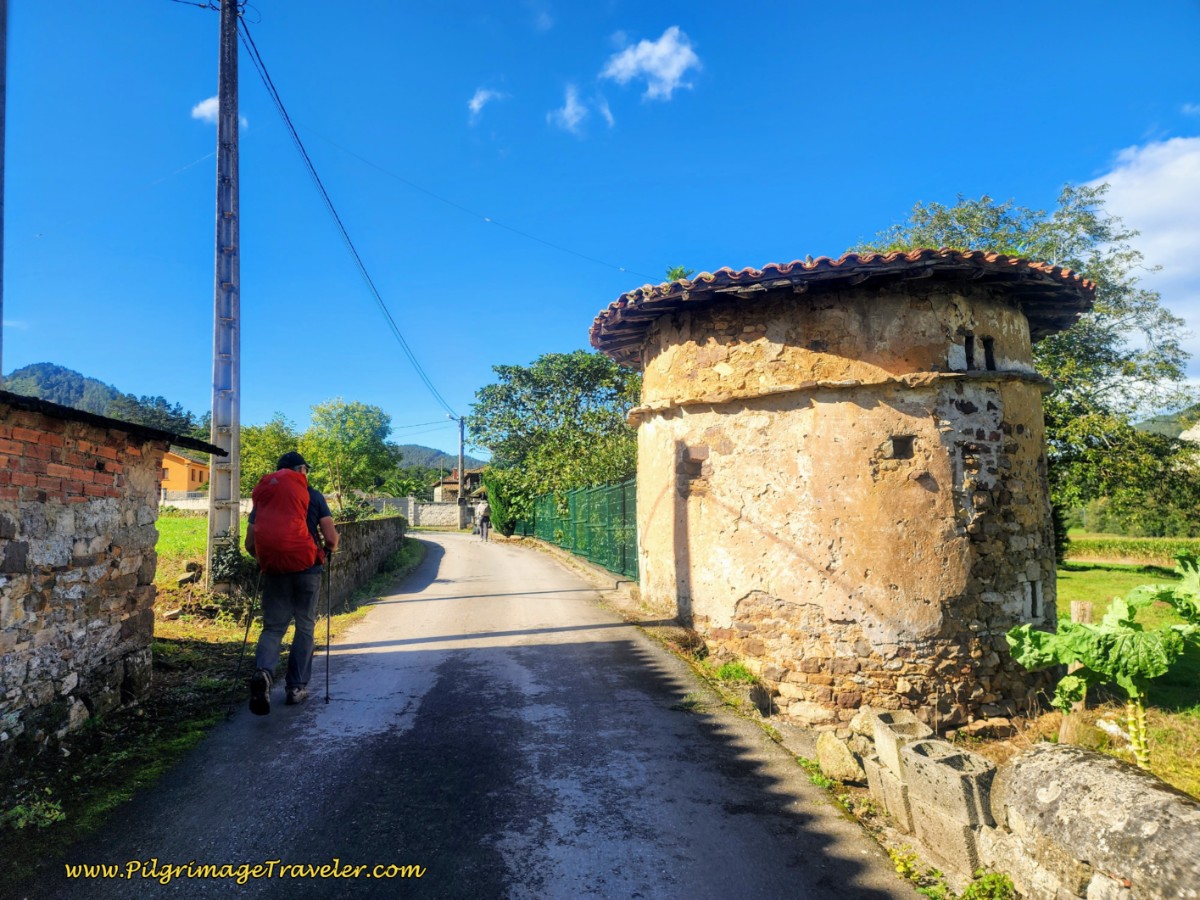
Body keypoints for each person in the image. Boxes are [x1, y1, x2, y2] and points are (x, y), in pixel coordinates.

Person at [245, 451, 338, 715]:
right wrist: (327, 552)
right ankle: (296, 687)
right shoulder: (314, 495)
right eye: (306, 469)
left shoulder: (265, 497)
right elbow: (331, 539)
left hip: (274, 570)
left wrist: (266, 561)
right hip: (308, 569)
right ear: (301, 470)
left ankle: (264, 672)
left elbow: (250, 543)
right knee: (305, 626)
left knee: (273, 628)